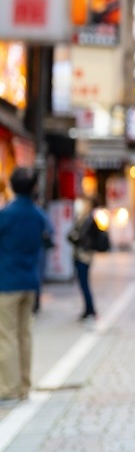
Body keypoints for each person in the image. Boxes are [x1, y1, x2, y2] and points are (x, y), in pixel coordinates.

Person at [0, 169, 51, 406]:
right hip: (31, 281)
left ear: (11, 186)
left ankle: (9, 389)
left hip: (7, 281)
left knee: (7, 336)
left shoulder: (6, 214)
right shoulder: (38, 214)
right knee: (25, 334)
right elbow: (48, 238)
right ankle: (23, 386)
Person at [68, 197, 103, 322]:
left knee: (84, 283)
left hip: (84, 255)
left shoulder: (88, 220)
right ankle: (88, 309)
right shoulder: (81, 218)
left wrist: (76, 238)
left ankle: (91, 309)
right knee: (83, 283)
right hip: (79, 254)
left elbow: (83, 237)